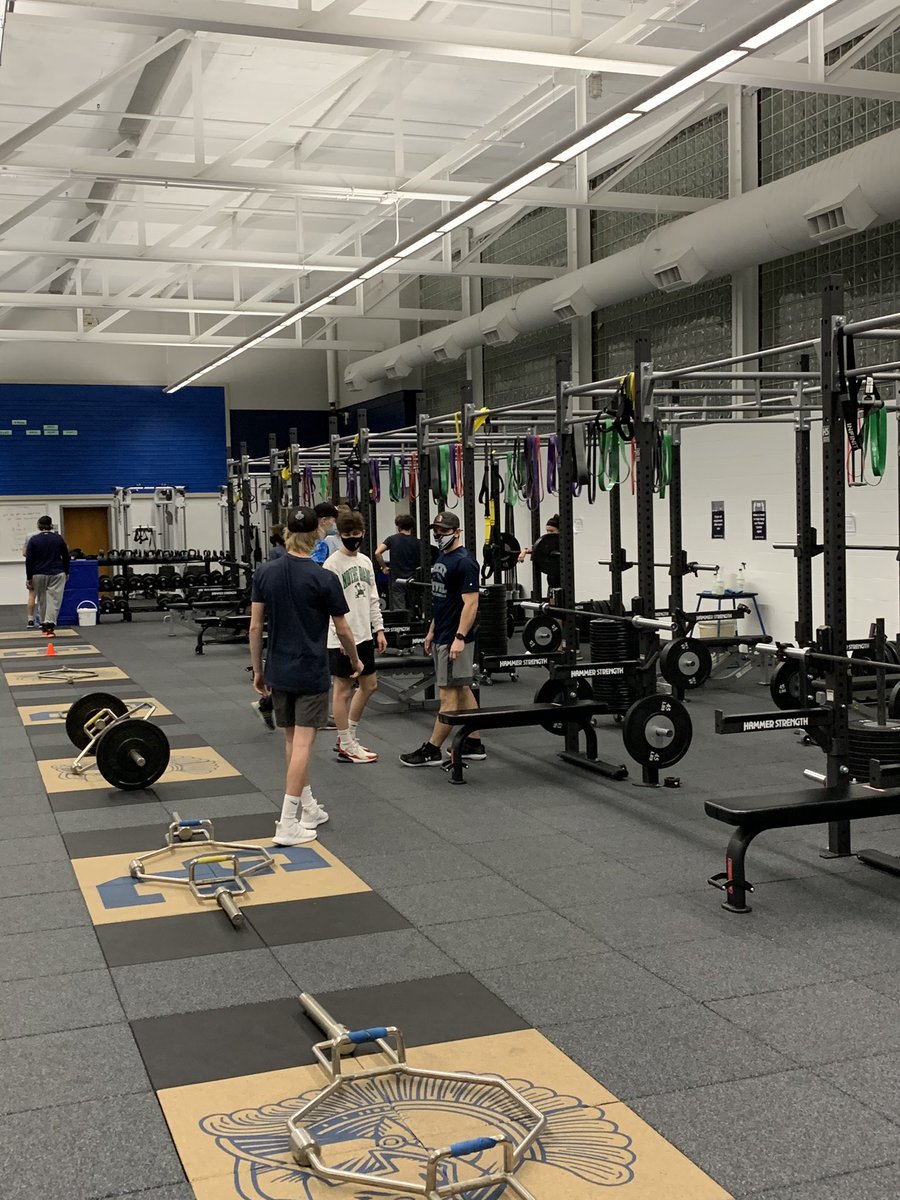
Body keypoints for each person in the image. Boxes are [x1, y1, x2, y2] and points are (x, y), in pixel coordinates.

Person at [250, 506, 363, 845]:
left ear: (287, 533)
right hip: (310, 670)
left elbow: (255, 627)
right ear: (317, 534)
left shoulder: (265, 572)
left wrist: (258, 670)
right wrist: (355, 660)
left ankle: (308, 806)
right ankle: (287, 823)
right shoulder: (323, 577)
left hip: (278, 668)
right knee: (303, 743)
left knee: (292, 741)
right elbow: (343, 629)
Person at [399, 511, 485, 767]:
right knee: (462, 687)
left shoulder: (465, 562)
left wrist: (459, 637)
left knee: (448, 695)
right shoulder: (442, 557)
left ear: (457, 532)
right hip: (442, 633)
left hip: (453, 638)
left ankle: (432, 750)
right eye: (436, 531)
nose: (439, 535)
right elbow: (443, 599)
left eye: (444, 531)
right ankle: (474, 744)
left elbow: (471, 604)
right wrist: (431, 630)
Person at [323, 511, 387, 763]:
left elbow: (372, 598)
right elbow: (328, 609)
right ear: (340, 535)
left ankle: (348, 736)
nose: (352, 538)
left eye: (356, 533)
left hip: (364, 635)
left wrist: (379, 629)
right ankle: (347, 744)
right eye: (347, 534)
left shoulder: (366, 561)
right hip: (341, 637)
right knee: (343, 690)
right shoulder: (331, 565)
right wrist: (339, 639)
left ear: (363, 533)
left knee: (369, 685)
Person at [25, 516, 69, 636]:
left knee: (42, 599)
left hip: (38, 573)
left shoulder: (33, 540)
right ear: (51, 525)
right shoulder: (58, 539)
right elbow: (66, 556)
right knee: (54, 599)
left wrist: (29, 577)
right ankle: (50, 623)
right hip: (57, 572)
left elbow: (29, 560)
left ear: (39, 526)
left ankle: (43, 622)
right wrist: (67, 571)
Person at [375, 514, 422, 612]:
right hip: (413, 581)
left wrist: (384, 567)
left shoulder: (392, 539)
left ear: (398, 526)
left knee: (400, 612)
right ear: (411, 527)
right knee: (413, 612)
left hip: (397, 580)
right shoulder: (418, 542)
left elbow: (377, 553)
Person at [518, 514, 561, 591]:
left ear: (560, 531)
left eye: (551, 531)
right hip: (551, 582)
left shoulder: (562, 544)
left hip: (561, 581)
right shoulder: (548, 544)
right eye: (547, 531)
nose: (548, 533)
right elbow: (536, 549)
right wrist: (523, 552)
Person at [22, 541, 41, 628]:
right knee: (43, 597)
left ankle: (30, 620)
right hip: (43, 571)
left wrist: (28, 578)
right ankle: (41, 620)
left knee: (31, 595)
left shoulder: (30, 538)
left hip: (33, 571)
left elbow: (24, 553)